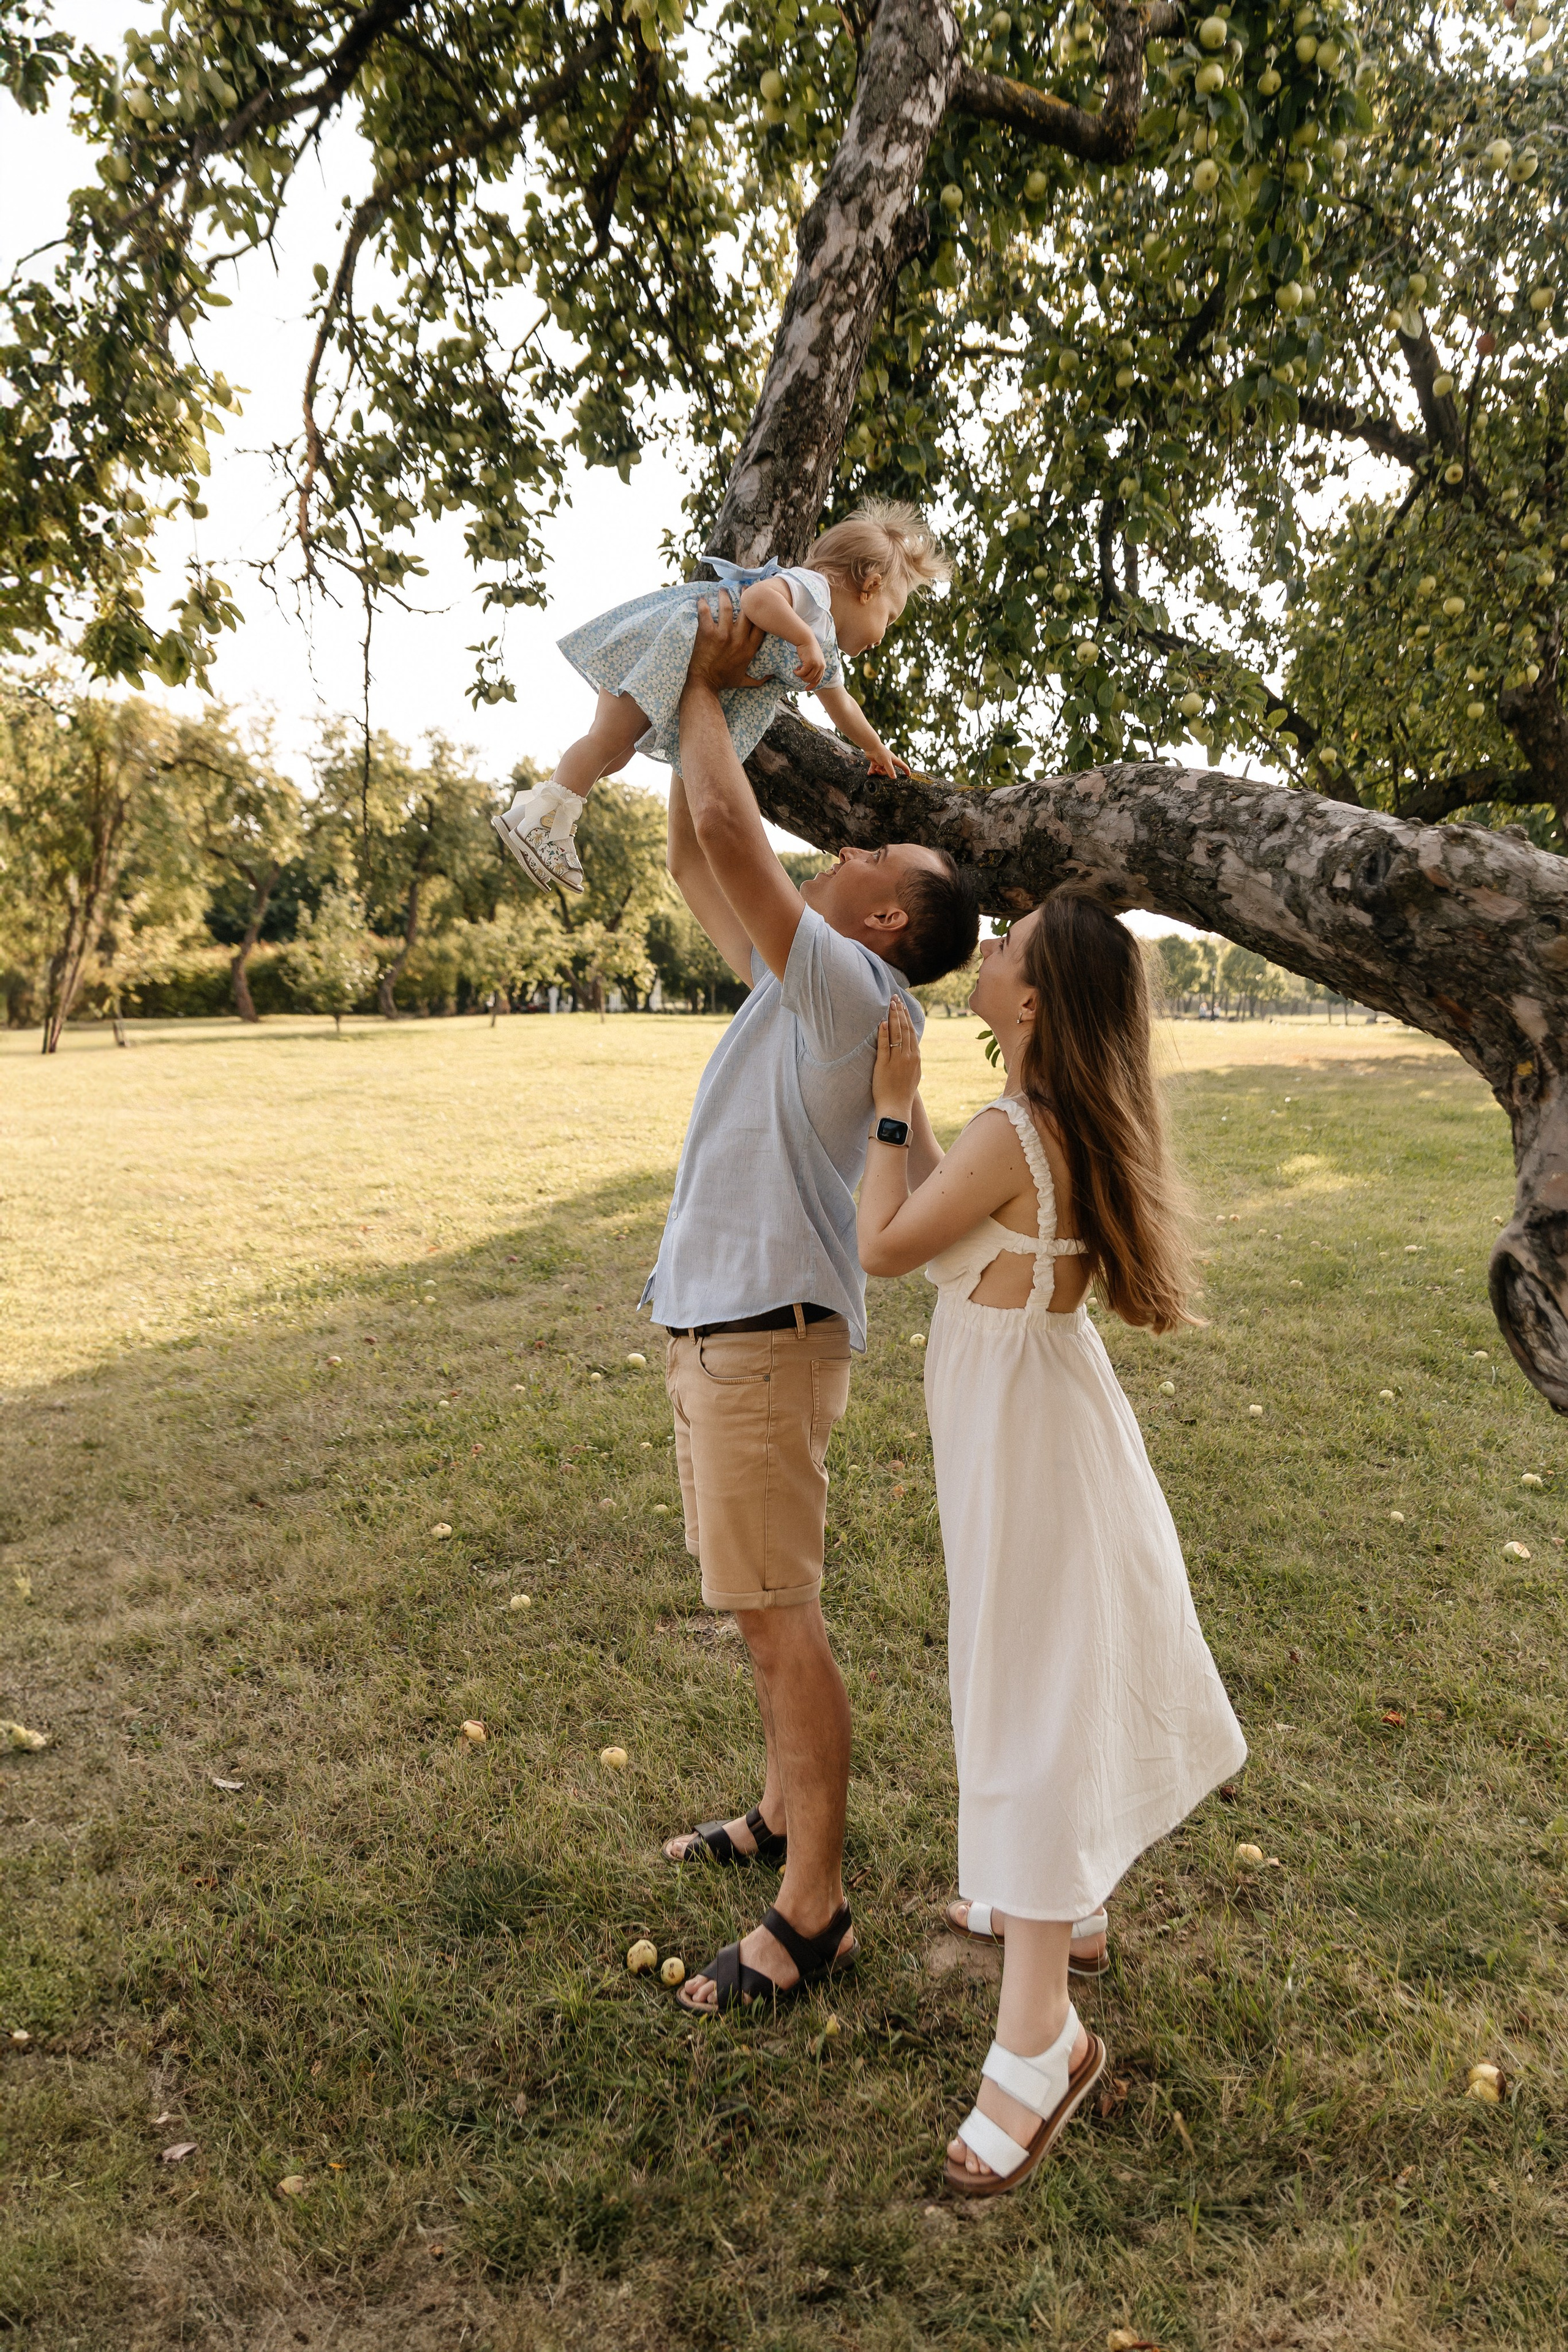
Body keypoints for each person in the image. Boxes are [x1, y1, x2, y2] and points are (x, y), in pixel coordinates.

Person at [856, 894, 1246, 2195]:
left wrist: (886, 1103)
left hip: (1024, 1432)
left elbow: (879, 1245)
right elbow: (937, 1247)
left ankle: (1039, 2040)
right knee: (1025, 1657)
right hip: (1031, 1419)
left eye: (1005, 947)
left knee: (1020, 1686)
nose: (983, 948)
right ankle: (1057, 1904)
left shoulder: (1010, 1129)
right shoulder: (1048, 1126)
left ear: (1030, 1004)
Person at [638, 592, 979, 2018]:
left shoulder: (850, 989)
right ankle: (782, 1812)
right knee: (756, 1611)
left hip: (761, 1337)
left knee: (780, 1620)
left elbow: (731, 833)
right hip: (721, 1325)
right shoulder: (805, 979)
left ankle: (814, 1908)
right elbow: (691, 849)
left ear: (885, 913)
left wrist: (706, 677)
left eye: (870, 850)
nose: (843, 847)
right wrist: (700, 705)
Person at [491, 500, 951, 892]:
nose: (883, 636)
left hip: (681, 667)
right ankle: (545, 822)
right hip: (670, 644)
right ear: (869, 587)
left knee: (618, 752)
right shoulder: (811, 594)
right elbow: (758, 602)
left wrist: (874, 747)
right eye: (890, 618)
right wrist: (803, 638)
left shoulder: (824, 642)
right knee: (608, 740)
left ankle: (535, 814)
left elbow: (842, 704)